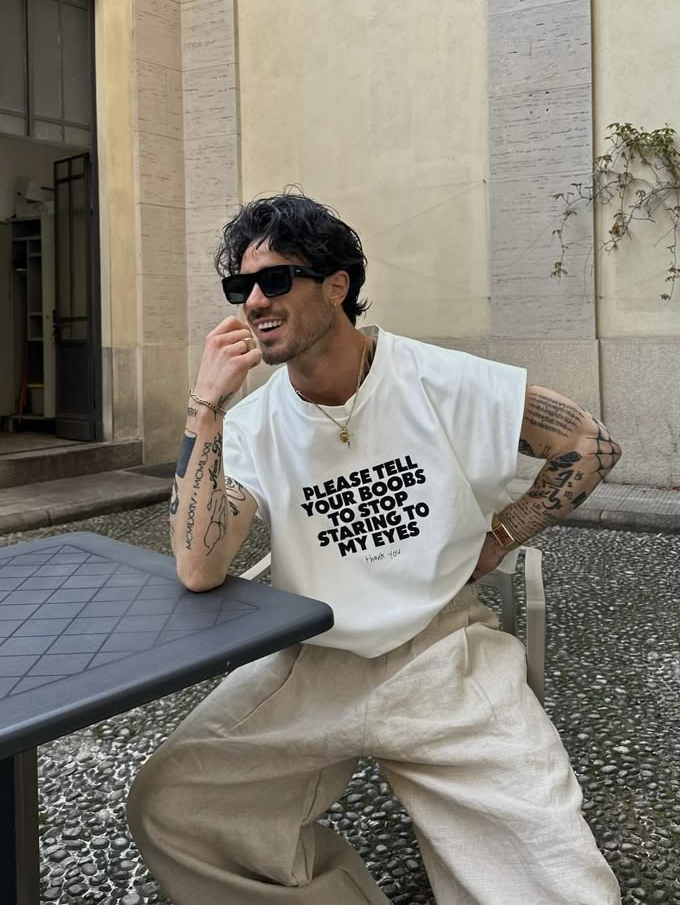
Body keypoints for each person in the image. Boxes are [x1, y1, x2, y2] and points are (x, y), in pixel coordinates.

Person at [127, 193, 623, 905]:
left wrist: (503, 532)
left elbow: (589, 443)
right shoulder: (255, 421)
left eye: (275, 280)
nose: (254, 301)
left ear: (337, 284)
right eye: (241, 287)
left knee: (566, 887)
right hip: (315, 659)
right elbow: (199, 568)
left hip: (443, 653)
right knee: (170, 807)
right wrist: (206, 407)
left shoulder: (438, 378)